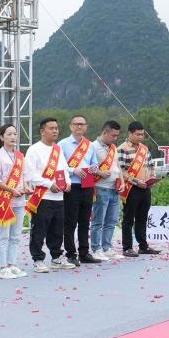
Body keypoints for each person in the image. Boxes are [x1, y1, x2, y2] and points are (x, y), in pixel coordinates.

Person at [24, 117, 74, 272]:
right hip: (42, 197)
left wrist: (68, 183)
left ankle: (56, 257)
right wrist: (48, 184)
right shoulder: (34, 149)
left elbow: (64, 170)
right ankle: (38, 259)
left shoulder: (57, 149)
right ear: (42, 131)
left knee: (57, 229)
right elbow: (30, 175)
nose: (55, 131)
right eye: (51, 128)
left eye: (56, 128)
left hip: (59, 197)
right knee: (39, 229)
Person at [0, 124, 29, 279]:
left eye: (15, 134)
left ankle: (12, 264)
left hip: (19, 200)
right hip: (4, 200)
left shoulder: (20, 155)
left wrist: (25, 187)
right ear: (1, 137)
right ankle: (3, 267)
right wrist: (12, 190)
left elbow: (24, 176)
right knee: (3, 235)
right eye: (9, 134)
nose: (13, 137)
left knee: (16, 235)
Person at [58, 114, 96, 265]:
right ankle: (71, 253)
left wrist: (94, 168)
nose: (79, 126)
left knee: (85, 221)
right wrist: (74, 170)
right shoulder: (62, 144)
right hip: (71, 186)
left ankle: (84, 252)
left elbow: (95, 163)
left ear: (86, 127)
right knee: (70, 221)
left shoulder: (90, 145)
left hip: (87, 185)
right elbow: (60, 166)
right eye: (76, 124)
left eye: (82, 124)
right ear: (70, 126)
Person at [119, 121, 161, 256]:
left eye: (142, 134)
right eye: (137, 134)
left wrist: (152, 177)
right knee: (128, 219)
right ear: (130, 133)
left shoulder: (145, 149)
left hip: (146, 188)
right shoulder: (122, 149)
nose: (140, 137)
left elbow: (151, 166)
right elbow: (122, 172)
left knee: (142, 218)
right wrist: (137, 182)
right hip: (131, 189)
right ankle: (127, 247)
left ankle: (143, 246)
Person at [87, 120, 123, 260]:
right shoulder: (92, 147)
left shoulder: (113, 148)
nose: (115, 138)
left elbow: (117, 166)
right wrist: (100, 173)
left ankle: (107, 247)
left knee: (112, 220)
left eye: (116, 136)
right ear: (104, 132)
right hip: (100, 187)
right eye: (113, 135)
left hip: (114, 187)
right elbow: (88, 166)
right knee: (98, 221)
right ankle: (96, 248)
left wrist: (123, 181)